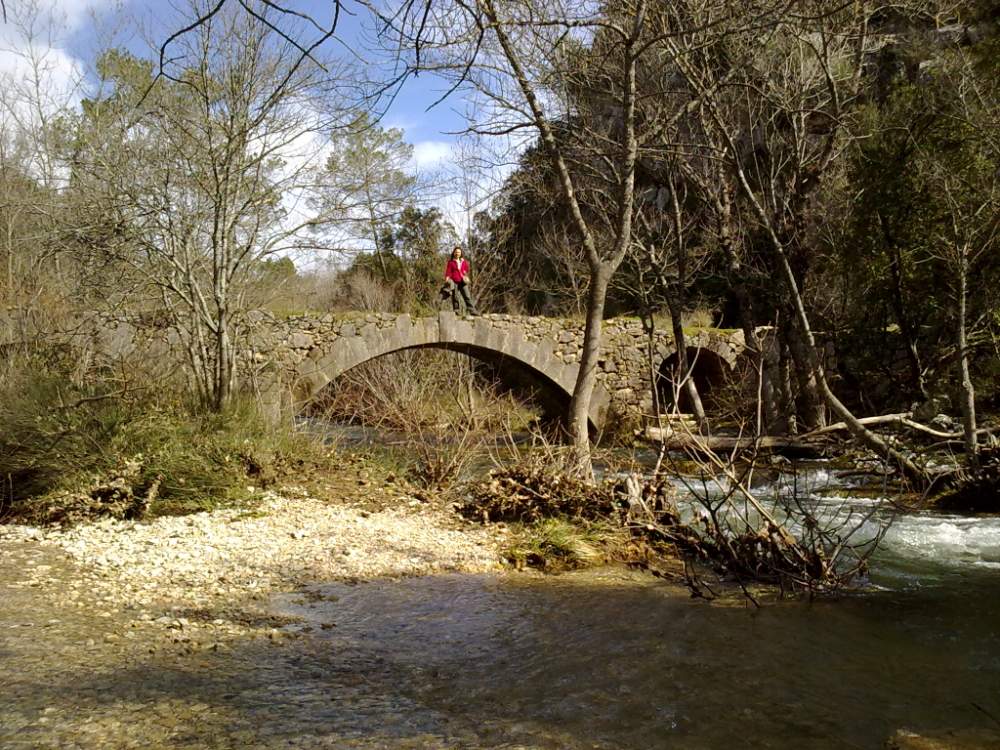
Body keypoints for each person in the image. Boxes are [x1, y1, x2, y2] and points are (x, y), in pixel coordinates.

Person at [443, 245, 477, 315]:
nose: (457, 253)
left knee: (467, 296)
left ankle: (472, 311)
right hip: (454, 280)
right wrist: (447, 278)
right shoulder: (451, 262)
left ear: (461, 253)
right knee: (455, 296)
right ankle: (456, 311)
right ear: (454, 253)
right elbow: (448, 271)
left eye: (459, 252)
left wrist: (464, 269)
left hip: (463, 281)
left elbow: (466, 269)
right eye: (456, 252)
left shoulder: (463, 261)